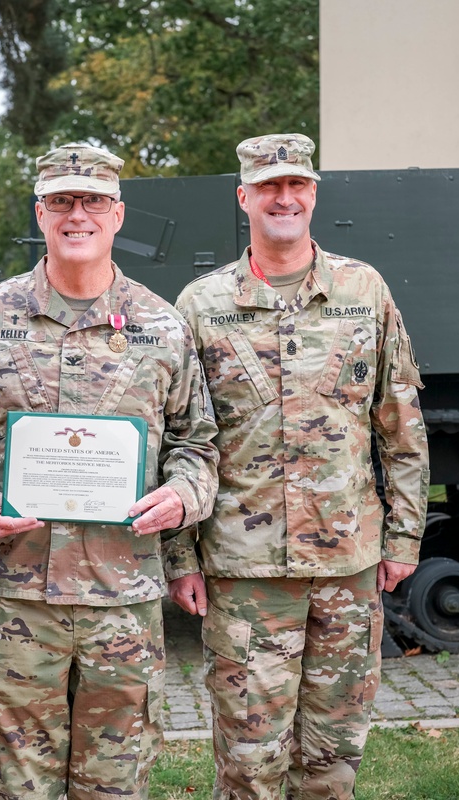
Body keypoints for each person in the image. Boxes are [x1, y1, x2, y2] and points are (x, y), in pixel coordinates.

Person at [0, 142, 219, 799]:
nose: (78, 214)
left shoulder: (162, 326)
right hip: (15, 602)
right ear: (39, 213)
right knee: (17, 788)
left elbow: (199, 444)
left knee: (115, 787)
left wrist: (182, 497)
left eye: (92, 200)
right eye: (61, 201)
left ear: (118, 214)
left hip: (119, 604)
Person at [169, 133, 429, 800]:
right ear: (244, 198)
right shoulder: (202, 305)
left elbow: (398, 421)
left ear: (312, 194)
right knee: (251, 757)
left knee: (333, 754)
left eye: (297, 186)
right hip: (244, 568)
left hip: (348, 561)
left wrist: (402, 539)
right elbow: (178, 441)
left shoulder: (362, 288)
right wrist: (182, 558)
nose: (284, 198)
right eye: (268, 187)